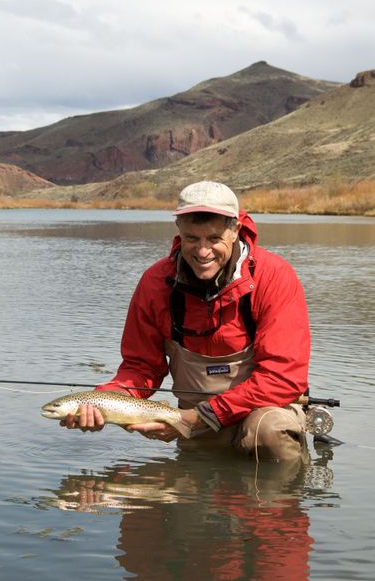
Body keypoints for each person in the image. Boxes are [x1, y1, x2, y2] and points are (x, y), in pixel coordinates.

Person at [61, 181, 311, 461]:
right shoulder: (155, 283)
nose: (203, 252)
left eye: (214, 239)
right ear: (179, 231)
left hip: (259, 412)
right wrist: (101, 403)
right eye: (192, 239)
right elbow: (140, 366)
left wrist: (198, 417)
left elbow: (283, 378)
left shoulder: (274, 277)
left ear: (235, 231)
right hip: (189, 419)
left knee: (269, 433)